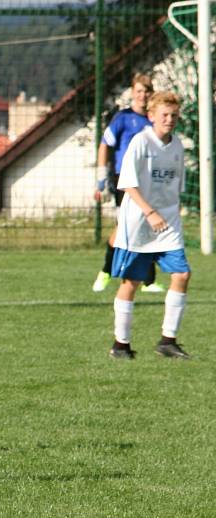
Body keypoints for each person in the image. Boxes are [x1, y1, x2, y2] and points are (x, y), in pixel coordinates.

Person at [109, 91, 190, 360]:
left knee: (182, 275)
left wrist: (172, 211)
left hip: (168, 223)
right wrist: (150, 212)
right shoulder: (140, 142)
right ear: (151, 116)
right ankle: (120, 345)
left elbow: (175, 186)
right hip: (140, 223)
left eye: (174, 115)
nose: (169, 120)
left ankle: (168, 340)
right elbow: (128, 183)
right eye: (164, 115)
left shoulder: (177, 145)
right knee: (132, 281)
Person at [92, 73, 165, 294]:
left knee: (150, 228)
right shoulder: (123, 118)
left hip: (150, 182)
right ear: (133, 93)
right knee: (124, 228)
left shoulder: (154, 121)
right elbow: (105, 144)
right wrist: (101, 178)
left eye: (146, 91)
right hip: (126, 182)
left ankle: (149, 282)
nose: (143, 96)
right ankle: (105, 271)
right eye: (139, 91)